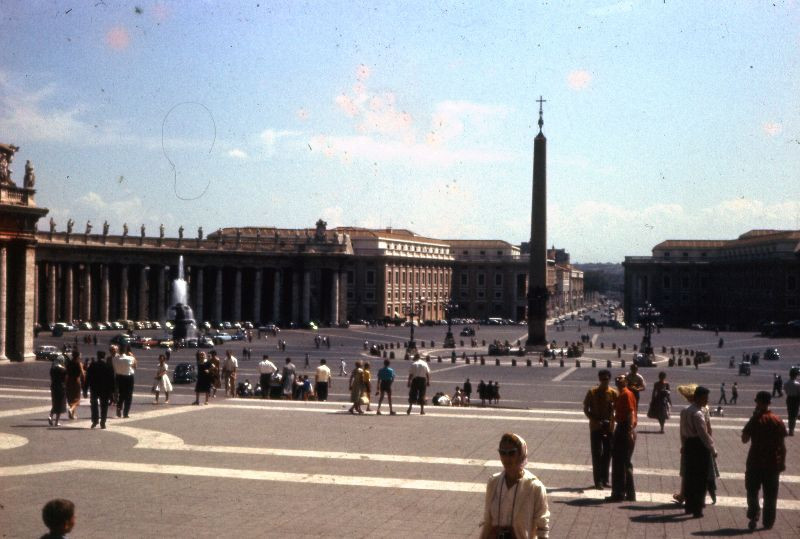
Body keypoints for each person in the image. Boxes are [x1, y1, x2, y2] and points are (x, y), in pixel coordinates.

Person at [479, 433, 550, 539]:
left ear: (521, 453)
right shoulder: (494, 482)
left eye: (511, 453)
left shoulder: (535, 487)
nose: (506, 458)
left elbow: (542, 528)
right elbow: (487, 521)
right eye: (502, 453)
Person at [742, 391, 788, 531]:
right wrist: (782, 462)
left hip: (755, 461)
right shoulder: (777, 420)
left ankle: (754, 514)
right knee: (770, 494)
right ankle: (768, 522)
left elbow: (744, 439)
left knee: (752, 491)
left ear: (759, 402)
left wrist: (753, 418)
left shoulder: (756, 419)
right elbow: (783, 446)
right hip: (773, 462)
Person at [679, 386, 716, 517]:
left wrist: (683, 445)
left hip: (688, 444)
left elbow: (682, 430)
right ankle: (697, 509)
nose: (707, 400)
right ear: (699, 398)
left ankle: (689, 506)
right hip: (699, 447)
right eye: (705, 398)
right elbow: (703, 434)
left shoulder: (685, 411)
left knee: (689, 477)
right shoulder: (698, 414)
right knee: (701, 479)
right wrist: (713, 449)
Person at [583, 369, 617, 489]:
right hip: (596, 427)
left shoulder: (613, 393)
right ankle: (598, 481)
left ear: (609, 379)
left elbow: (618, 408)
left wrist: (613, 418)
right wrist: (594, 419)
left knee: (607, 454)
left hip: (609, 428)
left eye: (606, 379)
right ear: (599, 379)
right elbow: (586, 408)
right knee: (596, 454)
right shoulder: (592, 392)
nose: (604, 381)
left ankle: (605, 479)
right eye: (602, 379)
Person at [608, 374, 637, 502]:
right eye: (617, 379)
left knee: (620, 463)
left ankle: (619, 493)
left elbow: (630, 412)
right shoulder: (622, 394)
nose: (619, 381)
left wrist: (629, 431)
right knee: (624, 462)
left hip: (624, 429)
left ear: (626, 382)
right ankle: (628, 494)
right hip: (623, 428)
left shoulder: (626, 394)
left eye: (621, 379)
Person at [86, 352, 114, 429]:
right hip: (105, 389)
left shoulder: (93, 365)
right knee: (104, 406)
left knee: (94, 405)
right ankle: (103, 422)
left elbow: (88, 377)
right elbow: (112, 380)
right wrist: (113, 392)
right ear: (104, 357)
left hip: (94, 388)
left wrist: (85, 388)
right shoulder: (108, 366)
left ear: (97, 356)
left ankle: (95, 420)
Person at [112, 345, 137, 418]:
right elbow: (135, 366)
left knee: (121, 394)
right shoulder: (130, 358)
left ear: (119, 351)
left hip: (119, 377)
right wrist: (133, 356)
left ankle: (119, 407)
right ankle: (126, 413)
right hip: (128, 377)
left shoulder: (114, 359)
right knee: (128, 396)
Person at [48, 355, 68, 427]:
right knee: (60, 404)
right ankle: (56, 422)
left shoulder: (52, 368)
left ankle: (50, 416)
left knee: (55, 402)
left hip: (53, 386)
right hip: (61, 387)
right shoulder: (63, 370)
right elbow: (65, 379)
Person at [65, 351, 85, 420]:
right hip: (76, 381)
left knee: (70, 398)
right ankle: (71, 409)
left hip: (69, 381)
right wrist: (84, 382)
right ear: (78, 356)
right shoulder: (79, 363)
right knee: (77, 399)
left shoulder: (69, 363)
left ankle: (72, 415)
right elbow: (82, 374)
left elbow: (66, 373)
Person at [784, 367, 800, 436]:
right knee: (794, 415)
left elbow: (786, 391)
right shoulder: (797, 384)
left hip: (789, 399)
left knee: (790, 414)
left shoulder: (786, 383)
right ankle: (791, 430)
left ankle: (790, 429)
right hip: (795, 399)